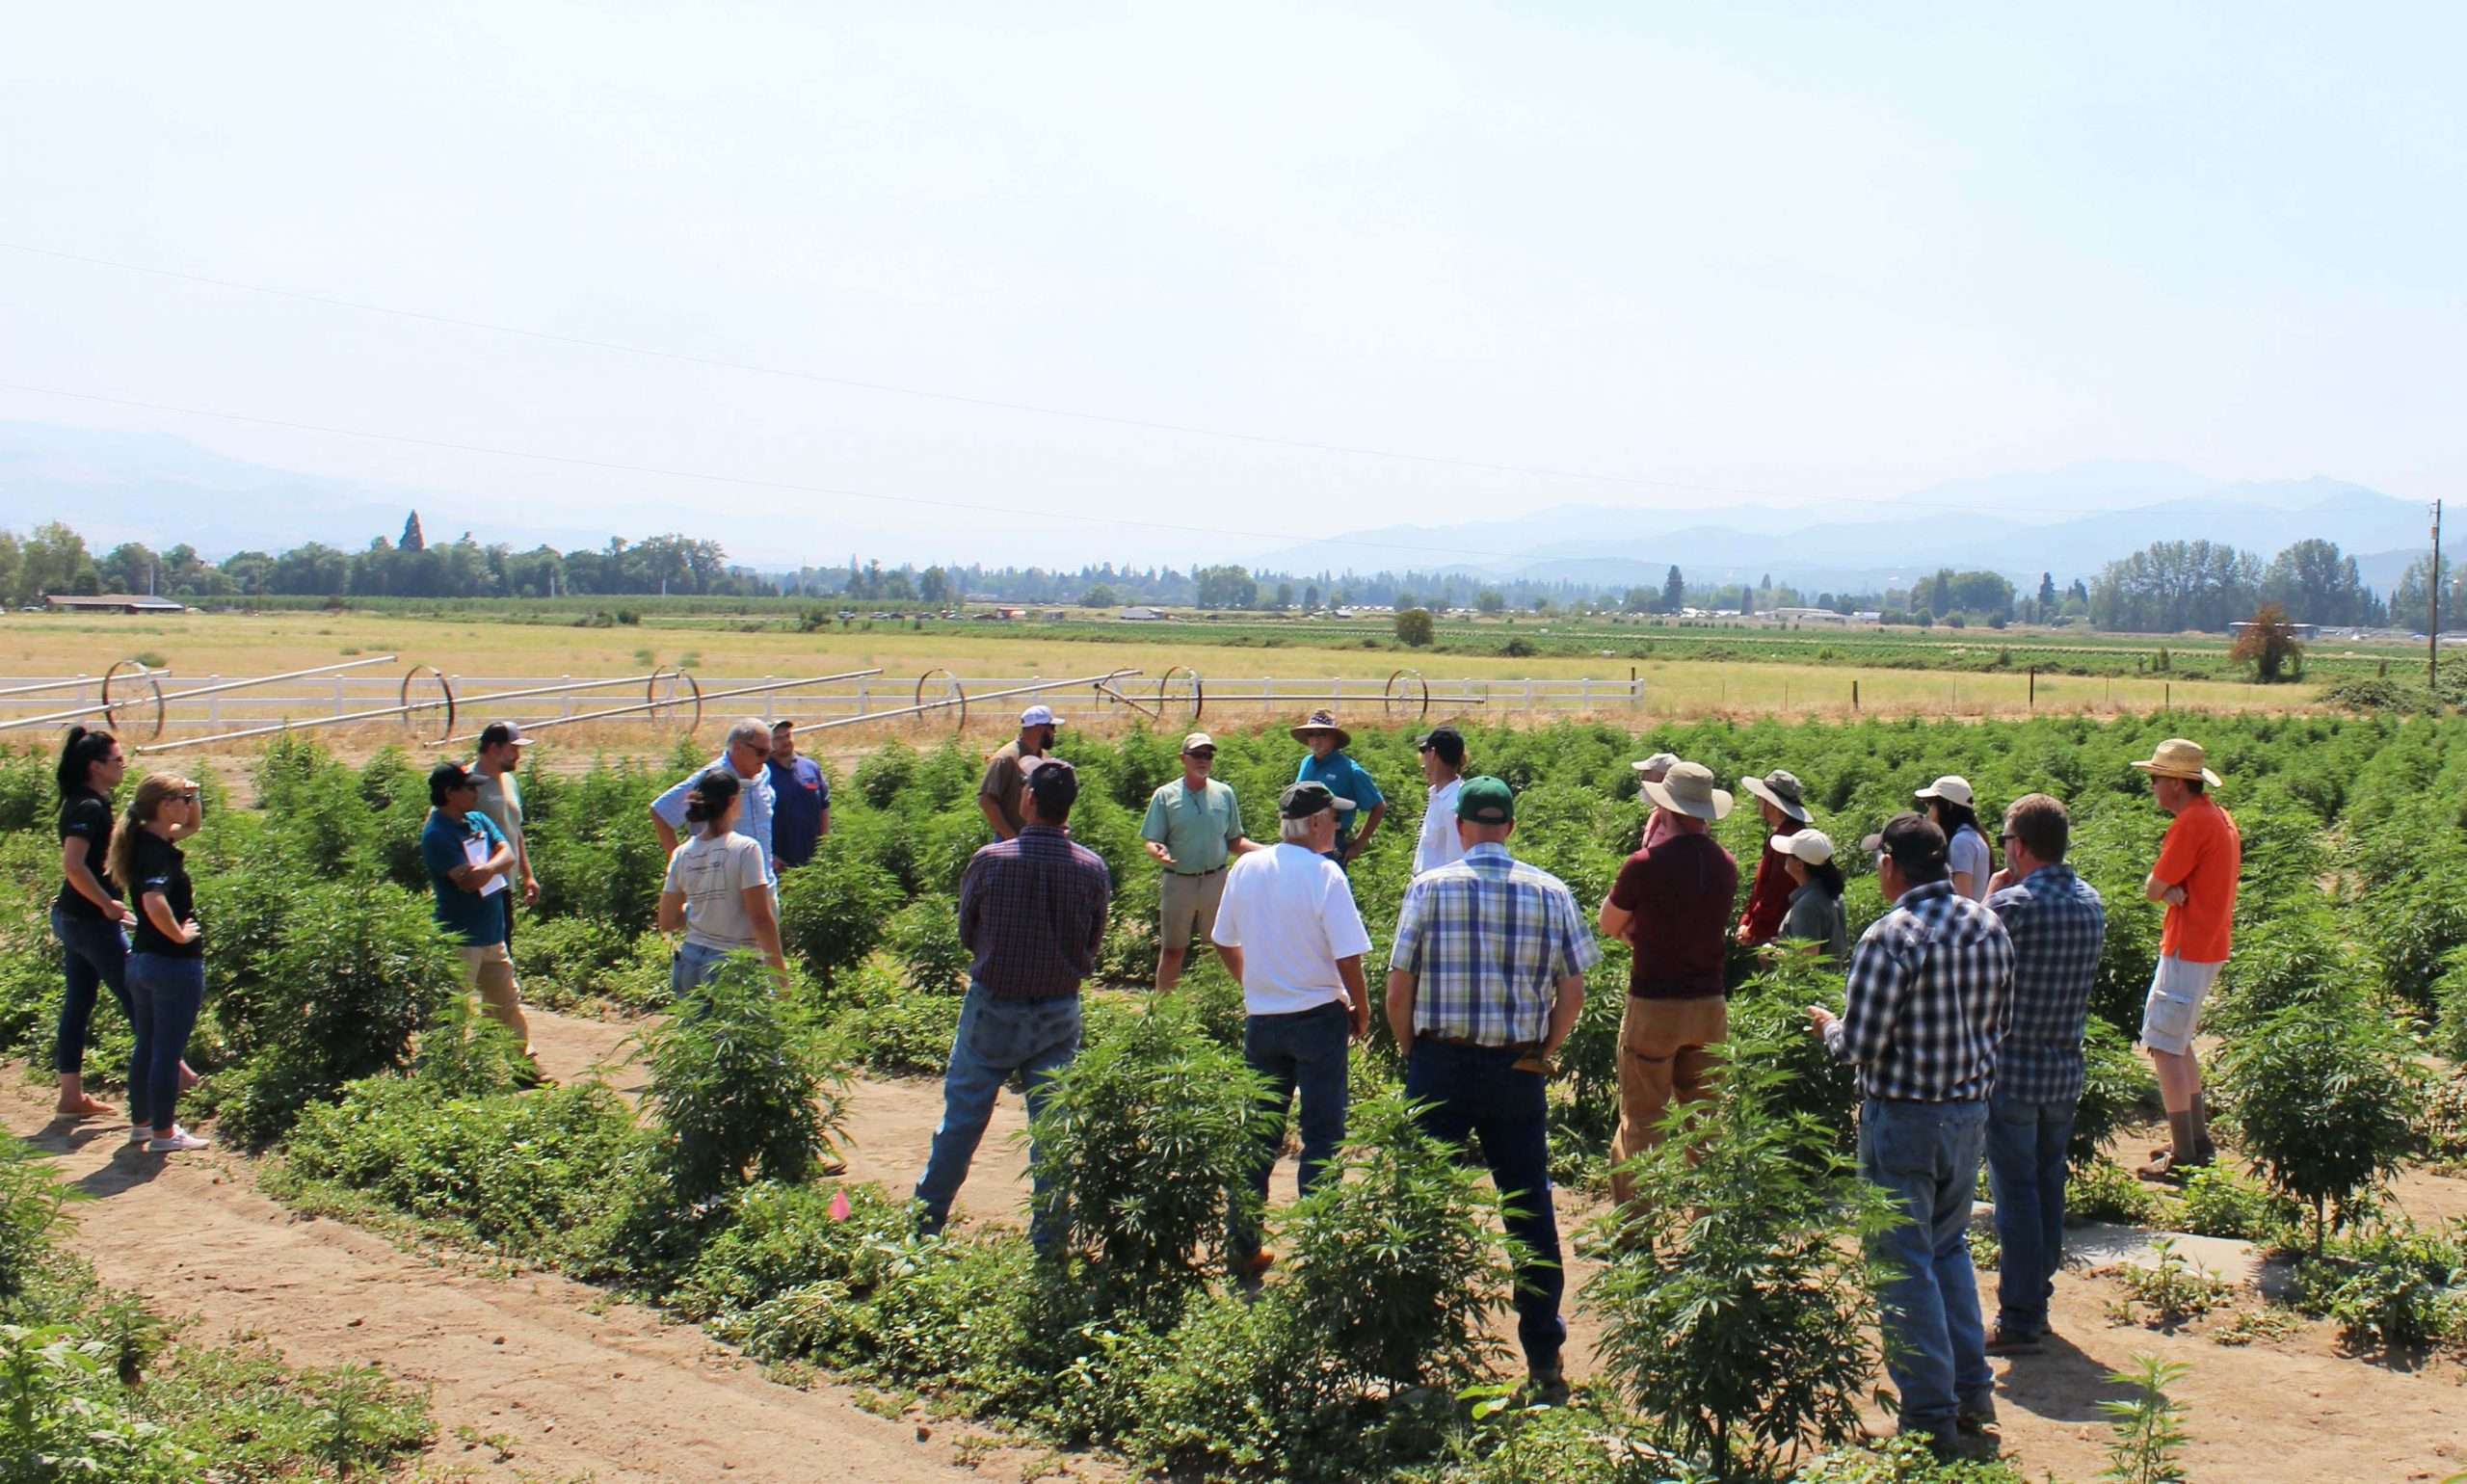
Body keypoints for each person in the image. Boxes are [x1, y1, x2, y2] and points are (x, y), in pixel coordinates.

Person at [1808, 813, 2014, 1462]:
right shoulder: (1988, 924)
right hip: (1966, 1115)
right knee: (1948, 1250)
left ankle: (1928, 1416)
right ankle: (1971, 1393)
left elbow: (1859, 1045)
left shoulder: (1889, 937)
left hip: (1902, 1120)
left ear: (1892, 864)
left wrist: (1828, 1028)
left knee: (1903, 1264)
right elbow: (1997, 1025)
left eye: (1879, 860)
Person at [1388, 776, 1599, 1403]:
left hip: (1440, 1064)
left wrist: (1412, 1052)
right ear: (1508, 826)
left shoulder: (1429, 888)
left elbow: (1399, 988)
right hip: (1516, 1071)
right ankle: (1544, 1362)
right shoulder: (1549, 891)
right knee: (1529, 1211)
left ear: (1459, 827)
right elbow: (1574, 993)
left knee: (1419, 1205)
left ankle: (1407, 1354)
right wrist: (1544, 1051)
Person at [915, 759, 1111, 1253]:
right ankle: (1049, 1242)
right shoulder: (1090, 868)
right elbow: (1093, 944)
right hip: (1057, 1012)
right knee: (1052, 1131)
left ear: (1027, 801)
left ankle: (925, 1225)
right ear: (1070, 806)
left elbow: (967, 932)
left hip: (993, 1009)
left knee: (961, 1121)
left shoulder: (991, 860)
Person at [1210, 781, 1371, 1286]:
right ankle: (1319, 1252)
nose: (1341, 826)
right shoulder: (1326, 873)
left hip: (1264, 1021)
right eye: (1335, 817)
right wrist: (1361, 1007)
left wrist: (1254, 983)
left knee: (1258, 1135)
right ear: (1317, 823)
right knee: (1323, 1136)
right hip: (1319, 1018)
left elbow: (1221, 940)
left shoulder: (1247, 867)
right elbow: (1348, 954)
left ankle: (1241, 1248)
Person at [1979, 794, 2107, 1355]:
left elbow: (1971, 953)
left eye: (2006, 841)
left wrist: (1991, 895)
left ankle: (2022, 1315)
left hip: (2011, 1072)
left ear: (2021, 846)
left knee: (2017, 1197)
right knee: (2047, 1187)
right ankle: (2038, 1301)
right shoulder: (2090, 902)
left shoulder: (2014, 907)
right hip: (2063, 1070)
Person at [1597, 761, 1738, 1210]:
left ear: (1666, 808)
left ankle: (1636, 1231)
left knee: (1642, 1120)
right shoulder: (1725, 864)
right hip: (1710, 1003)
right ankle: (1707, 1226)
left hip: (1655, 1002)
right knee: (1706, 1120)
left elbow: (1608, 922)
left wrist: (1633, 933)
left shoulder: (1643, 864)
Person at [2129, 739, 2241, 1182]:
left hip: (2187, 946)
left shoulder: (2192, 823)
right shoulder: (2217, 817)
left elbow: (2154, 887)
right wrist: (2171, 890)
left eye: (2156, 779)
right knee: (2180, 1043)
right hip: (2206, 945)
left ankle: (2184, 1156)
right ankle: (2196, 1141)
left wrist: (2167, 891)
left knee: (2164, 1046)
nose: (2152, 786)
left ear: (2176, 784)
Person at [109, 773, 211, 1153]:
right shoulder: (158, 851)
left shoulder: (144, 839)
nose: (187, 805)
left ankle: (142, 1124)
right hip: (172, 965)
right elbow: (154, 901)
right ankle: (165, 1133)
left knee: (148, 1046)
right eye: (181, 799)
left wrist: (194, 793)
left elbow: (194, 824)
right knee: (166, 1052)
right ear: (164, 805)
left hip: (142, 962)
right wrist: (179, 936)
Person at [421, 761, 540, 1075]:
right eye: (469, 787)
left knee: (507, 1006)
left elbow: (508, 853)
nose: (476, 792)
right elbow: (466, 880)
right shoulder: (437, 835)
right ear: (450, 793)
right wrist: (492, 866)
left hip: (492, 934)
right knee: (452, 1010)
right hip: (459, 938)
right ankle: (441, 1073)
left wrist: (486, 868)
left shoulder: (478, 819)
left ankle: (523, 1069)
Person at [49, 726, 136, 1119]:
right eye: (117, 760)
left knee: (79, 1003)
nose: (123, 765)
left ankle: (71, 1096)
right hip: (90, 922)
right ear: (95, 766)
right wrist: (108, 905)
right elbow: (73, 867)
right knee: (140, 997)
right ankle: (174, 1080)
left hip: (72, 918)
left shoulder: (86, 801)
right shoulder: (89, 807)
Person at [1139, 731, 1258, 992]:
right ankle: (1163, 1013)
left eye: (1208, 755)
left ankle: (1213, 1007)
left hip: (1216, 880)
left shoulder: (1224, 794)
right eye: (1197, 755)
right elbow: (1151, 840)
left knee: (1217, 949)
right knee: (1172, 951)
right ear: (1183, 758)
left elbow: (1234, 841)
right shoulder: (1165, 796)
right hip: (1179, 881)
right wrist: (1156, 850)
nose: (1203, 760)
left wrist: (1269, 851)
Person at [657, 769, 788, 994]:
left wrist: (703, 909)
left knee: (697, 1029)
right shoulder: (746, 849)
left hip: (690, 960)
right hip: (732, 964)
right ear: (732, 801)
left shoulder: (682, 853)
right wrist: (781, 979)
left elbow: (667, 921)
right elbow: (761, 919)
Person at [652, 719, 778, 883]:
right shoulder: (712, 779)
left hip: (764, 882)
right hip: (720, 888)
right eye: (761, 752)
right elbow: (661, 811)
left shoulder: (764, 775)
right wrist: (682, 869)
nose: (765, 759)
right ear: (739, 747)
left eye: (769, 753)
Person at [470, 722, 537, 948]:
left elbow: (515, 830)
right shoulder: (468, 782)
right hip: (478, 887)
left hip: (505, 884)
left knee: (503, 945)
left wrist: (528, 875)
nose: (518, 756)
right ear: (494, 748)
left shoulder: (509, 781)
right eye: (513, 748)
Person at [1291, 710, 1386, 869]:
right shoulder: (1306, 762)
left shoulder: (1351, 770)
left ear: (1334, 738)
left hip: (1331, 841)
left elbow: (1379, 806)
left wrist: (1359, 843)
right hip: (1300, 837)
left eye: (1321, 734)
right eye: (1311, 734)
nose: (1315, 739)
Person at [1736, 769, 1814, 947]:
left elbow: (1774, 893)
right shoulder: (1794, 833)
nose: (1757, 801)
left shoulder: (1785, 842)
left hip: (1776, 936)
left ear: (1772, 804)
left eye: (1761, 798)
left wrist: (1752, 928)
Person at [978, 705, 1062, 841]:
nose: (1054, 733)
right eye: (1052, 728)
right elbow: (986, 800)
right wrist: (1011, 838)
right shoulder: (1006, 758)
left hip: (1041, 842)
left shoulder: (1044, 758)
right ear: (1040, 728)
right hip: (1012, 842)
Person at [1772, 829, 1848, 964]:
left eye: (1789, 855)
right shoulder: (1833, 894)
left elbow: (1807, 961)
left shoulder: (1807, 906)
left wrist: (1771, 954)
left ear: (1799, 865)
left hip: (1812, 984)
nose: (1785, 857)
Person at [766, 719, 832, 870]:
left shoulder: (811, 767)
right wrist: (770, 856)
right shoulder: (762, 773)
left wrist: (825, 847)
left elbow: (824, 807)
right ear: (768, 743)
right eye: (778, 738)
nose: (785, 741)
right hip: (778, 864)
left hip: (813, 860)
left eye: (788, 736)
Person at [1917, 777, 1993, 901]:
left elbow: (1963, 900)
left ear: (1948, 805)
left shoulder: (1961, 842)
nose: (1928, 813)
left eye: (1931, 805)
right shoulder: (1973, 836)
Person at [1412, 725, 1469, 876]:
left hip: (1439, 891)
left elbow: (1457, 862)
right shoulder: (1439, 795)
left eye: (1424, 751)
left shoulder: (1453, 804)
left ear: (1433, 754)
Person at [1631, 752, 1684, 852]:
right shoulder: (1660, 812)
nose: (1643, 778)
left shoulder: (1677, 822)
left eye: (1647, 773)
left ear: (1663, 778)